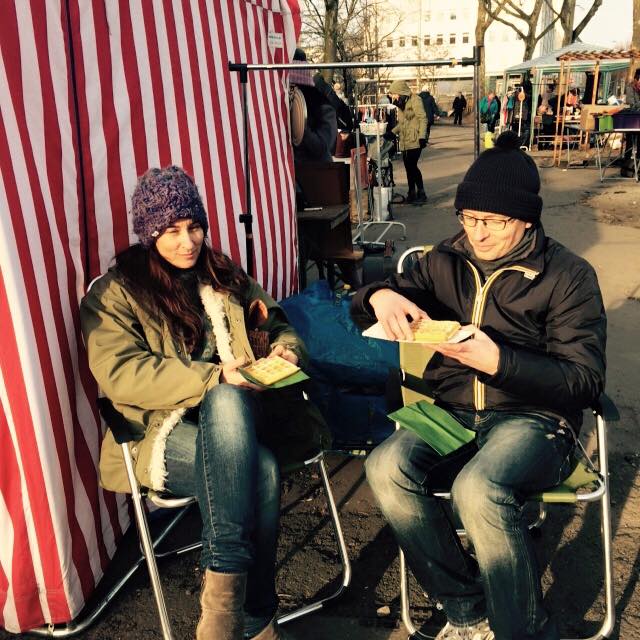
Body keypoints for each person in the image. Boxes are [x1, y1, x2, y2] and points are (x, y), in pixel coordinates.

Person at [352, 131, 606, 640]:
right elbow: (372, 300)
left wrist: (500, 362)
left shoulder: (568, 275)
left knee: (478, 487)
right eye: (468, 218)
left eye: (494, 221)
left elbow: (584, 380)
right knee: (384, 466)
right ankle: (467, 612)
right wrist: (377, 296)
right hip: (451, 410)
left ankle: (523, 630)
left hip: (533, 417)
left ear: (527, 219)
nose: (479, 234)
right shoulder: (443, 259)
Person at [81, 166, 330, 640]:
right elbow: (120, 373)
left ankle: (223, 614)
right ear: (149, 233)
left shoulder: (221, 273)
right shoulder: (116, 293)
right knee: (261, 470)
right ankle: (255, 620)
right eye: (172, 230)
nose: (187, 241)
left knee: (229, 402)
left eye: (194, 226)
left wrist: (286, 350)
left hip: (244, 416)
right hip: (160, 429)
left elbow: (277, 322)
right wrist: (214, 376)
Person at [389, 79, 428, 204]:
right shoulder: (401, 103)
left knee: (412, 166)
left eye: (394, 93)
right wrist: (392, 132)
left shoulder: (415, 100)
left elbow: (423, 119)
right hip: (405, 140)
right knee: (408, 167)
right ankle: (411, 193)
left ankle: (421, 193)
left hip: (416, 139)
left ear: (401, 91)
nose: (393, 96)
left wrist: (422, 137)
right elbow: (402, 123)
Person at [621, 68, 640, 177]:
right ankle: (627, 166)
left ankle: (638, 166)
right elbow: (632, 103)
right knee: (630, 143)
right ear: (637, 78)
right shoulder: (630, 87)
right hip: (632, 119)